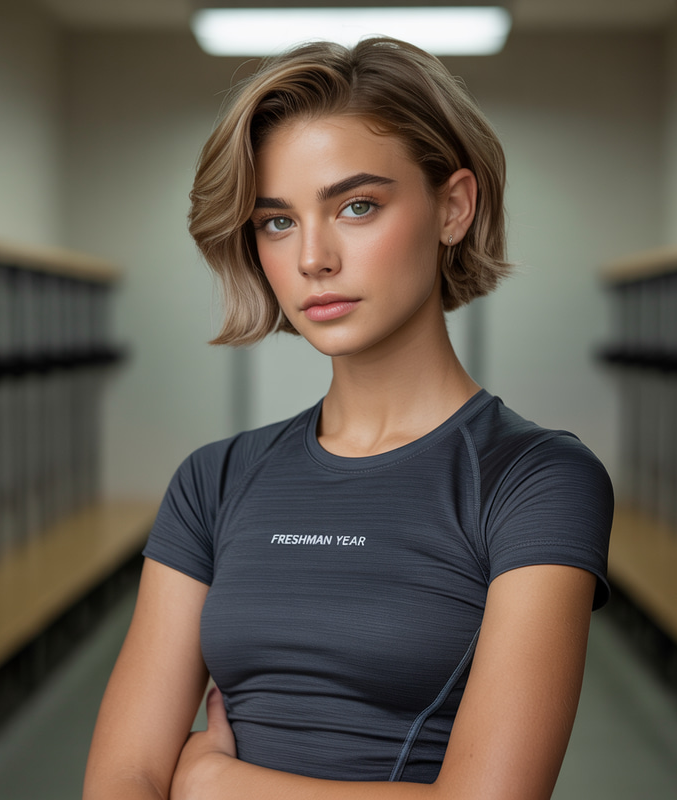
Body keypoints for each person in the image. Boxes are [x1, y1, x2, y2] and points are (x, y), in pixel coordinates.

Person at [83, 36, 612, 800]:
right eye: (276, 222)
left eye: (356, 206)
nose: (313, 259)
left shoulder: (535, 480)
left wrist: (216, 786)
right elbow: (122, 779)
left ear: (453, 207)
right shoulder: (215, 480)